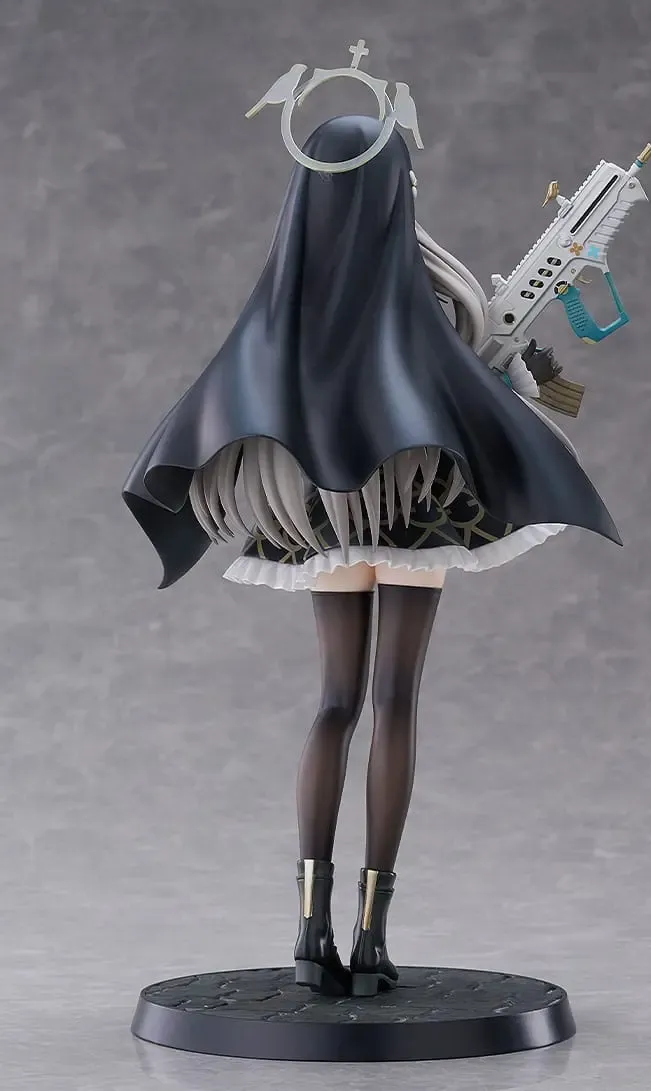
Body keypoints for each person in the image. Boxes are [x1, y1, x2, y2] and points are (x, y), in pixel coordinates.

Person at [123, 114, 620, 997]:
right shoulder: (427, 296)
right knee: (394, 699)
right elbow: (476, 392)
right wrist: (520, 378)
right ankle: (371, 934)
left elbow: (241, 390)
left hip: (322, 511)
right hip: (417, 504)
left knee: (335, 701)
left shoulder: (287, 304)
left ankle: (309, 928)